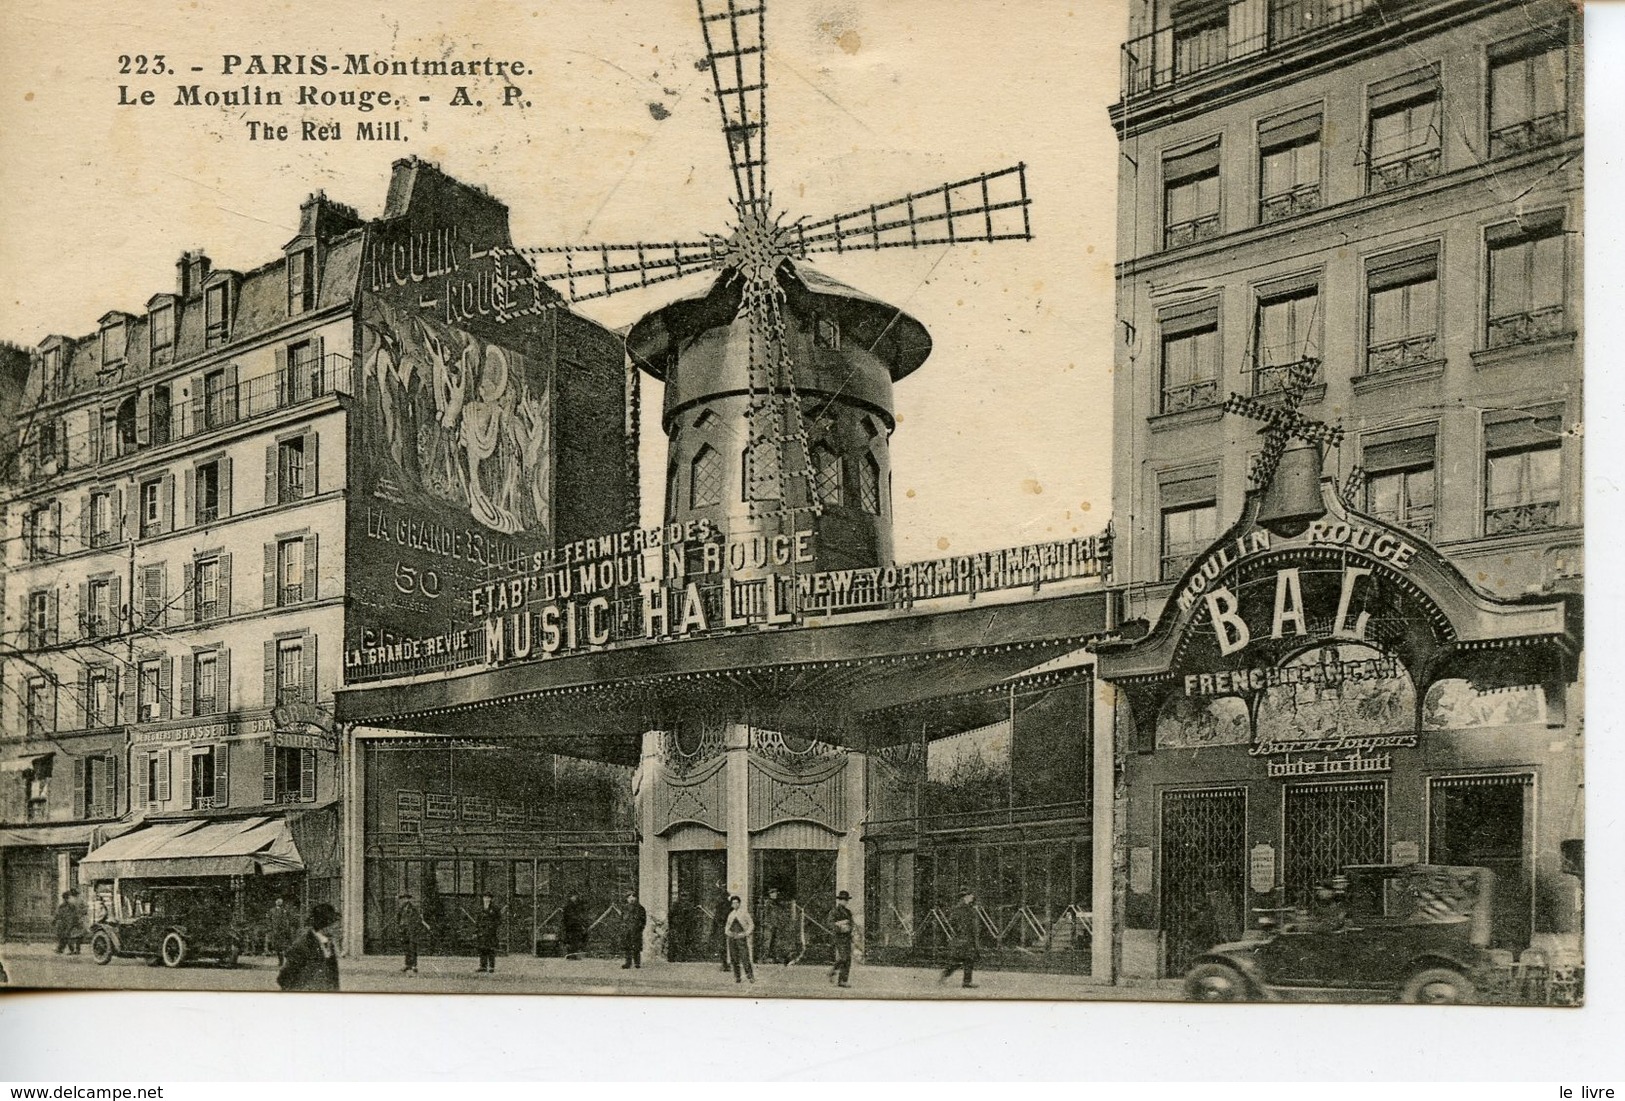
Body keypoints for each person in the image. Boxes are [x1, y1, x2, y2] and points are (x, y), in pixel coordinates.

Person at [277, 903, 341, 992]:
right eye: (334, 923)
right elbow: (284, 978)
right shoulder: (302, 945)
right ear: (325, 925)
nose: (339, 928)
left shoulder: (329, 944)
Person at [939, 889, 981, 989]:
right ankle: (946, 974)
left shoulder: (968, 907)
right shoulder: (960, 908)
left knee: (968, 959)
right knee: (959, 960)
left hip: (967, 937)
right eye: (970, 895)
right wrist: (960, 930)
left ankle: (966, 982)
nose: (972, 897)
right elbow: (952, 921)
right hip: (962, 938)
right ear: (965, 896)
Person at [723, 895, 755, 984]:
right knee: (734, 958)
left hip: (741, 938)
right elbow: (727, 927)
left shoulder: (744, 913)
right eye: (733, 903)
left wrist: (745, 933)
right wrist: (729, 933)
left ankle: (750, 976)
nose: (735, 904)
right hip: (732, 938)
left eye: (737, 902)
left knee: (745, 957)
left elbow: (751, 925)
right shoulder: (731, 914)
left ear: (739, 903)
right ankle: (737, 977)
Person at [397, 889, 430, 974]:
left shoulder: (414, 908)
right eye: (404, 898)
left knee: (413, 947)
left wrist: (424, 925)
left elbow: (419, 919)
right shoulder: (401, 908)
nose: (405, 900)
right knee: (406, 948)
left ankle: (414, 966)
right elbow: (399, 918)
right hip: (404, 930)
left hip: (412, 930)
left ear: (410, 899)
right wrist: (400, 927)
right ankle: (407, 965)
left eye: (407, 898)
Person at [827, 890, 855, 988]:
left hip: (847, 937)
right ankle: (832, 971)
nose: (845, 901)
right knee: (844, 957)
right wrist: (840, 927)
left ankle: (843, 980)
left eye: (846, 900)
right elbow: (830, 923)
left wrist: (849, 928)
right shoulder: (834, 911)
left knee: (848, 959)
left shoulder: (848, 912)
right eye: (843, 899)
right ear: (839, 900)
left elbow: (851, 923)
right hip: (839, 937)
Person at [758, 887, 793, 965]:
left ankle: (775, 957)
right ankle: (764, 957)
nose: (775, 894)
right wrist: (767, 923)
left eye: (775, 893)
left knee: (775, 942)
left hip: (776, 925)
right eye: (772, 893)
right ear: (770, 894)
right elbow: (765, 915)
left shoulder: (777, 903)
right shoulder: (768, 903)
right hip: (769, 925)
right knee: (767, 941)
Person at [473, 892, 503, 973]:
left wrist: (493, 926)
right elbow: (477, 920)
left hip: (490, 932)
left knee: (491, 949)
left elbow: (499, 920)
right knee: (482, 948)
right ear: (483, 898)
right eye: (485, 897)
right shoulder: (480, 908)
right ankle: (483, 966)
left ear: (490, 899)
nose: (486, 899)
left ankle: (491, 967)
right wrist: (476, 930)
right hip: (482, 932)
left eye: (488, 897)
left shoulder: (495, 908)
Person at [265, 897, 298, 965]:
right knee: (277, 946)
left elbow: (289, 919)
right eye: (278, 902)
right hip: (275, 930)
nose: (279, 903)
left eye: (280, 902)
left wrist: (287, 927)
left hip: (284, 931)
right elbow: (268, 920)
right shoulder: (272, 910)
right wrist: (270, 927)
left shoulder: (285, 910)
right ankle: (280, 961)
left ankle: (287, 960)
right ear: (276, 902)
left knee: (285, 946)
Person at [619, 891, 648, 969]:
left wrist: (639, 928)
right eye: (629, 897)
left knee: (636, 947)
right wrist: (623, 927)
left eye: (633, 897)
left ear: (636, 898)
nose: (631, 899)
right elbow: (622, 919)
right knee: (627, 947)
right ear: (627, 899)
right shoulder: (624, 908)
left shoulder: (640, 908)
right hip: (627, 930)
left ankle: (637, 963)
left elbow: (643, 920)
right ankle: (628, 963)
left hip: (636, 930)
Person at [709, 878, 732, 972]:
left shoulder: (724, 901)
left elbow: (722, 914)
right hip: (721, 923)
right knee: (723, 944)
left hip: (724, 924)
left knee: (724, 944)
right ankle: (725, 963)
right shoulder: (724, 900)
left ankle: (726, 964)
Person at [54, 890, 81, 955]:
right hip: (66, 923)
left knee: (67, 936)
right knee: (65, 936)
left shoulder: (65, 906)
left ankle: (65, 949)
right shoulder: (68, 906)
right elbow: (75, 915)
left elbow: (58, 914)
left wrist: (55, 920)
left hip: (67, 923)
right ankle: (61, 949)